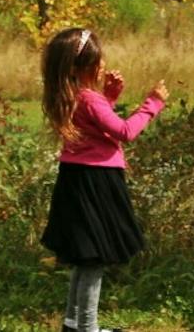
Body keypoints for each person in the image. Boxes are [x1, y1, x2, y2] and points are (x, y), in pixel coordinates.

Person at [39, 26, 168, 332]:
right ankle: (87, 328)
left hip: (75, 181)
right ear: (86, 66)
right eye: (99, 59)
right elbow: (124, 132)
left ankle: (74, 325)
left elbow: (93, 128)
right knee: (94, 260)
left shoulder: (71, 96)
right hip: (97, 183)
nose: (104, 64)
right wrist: (153, 102)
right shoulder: (89, 99)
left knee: (85, 257)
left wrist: (108, 97)